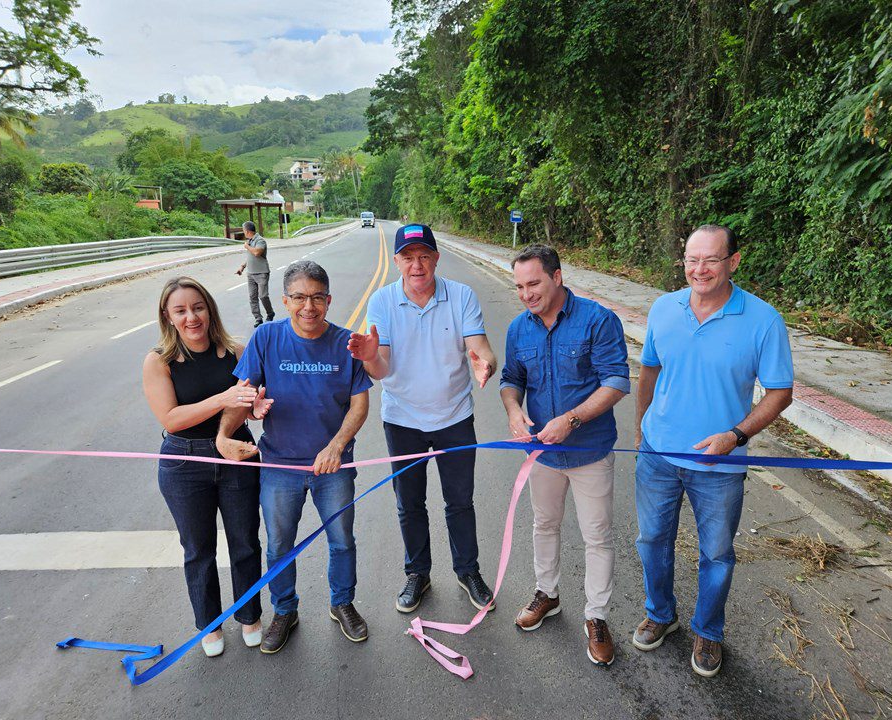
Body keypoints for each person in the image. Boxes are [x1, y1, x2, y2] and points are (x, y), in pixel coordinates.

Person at [633, 224, 793, 677]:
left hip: (719, 465)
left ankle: (708, 630)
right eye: (691, 259)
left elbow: (780, 391)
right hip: (658, 459)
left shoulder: (763, 320)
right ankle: (660, 614)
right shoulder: (664, 308)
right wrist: (643, 429)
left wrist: (737, 436)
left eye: (711, 260)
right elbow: (649, 372)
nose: (699, 269)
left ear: (733, 262)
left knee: (717, 553)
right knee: (650, 542)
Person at [217, 260, 372, 654]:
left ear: (329, 299)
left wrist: (336, 445)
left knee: (341, 541)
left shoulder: (346, 343)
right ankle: (284, 610)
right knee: (279, 545)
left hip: (333, 468)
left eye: (317, 298)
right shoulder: (266, 338)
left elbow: (359, 403)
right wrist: (243, 418)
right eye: (299, 298)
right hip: (279, 467)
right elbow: (244, 394)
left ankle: (342, 604)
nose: (309, 307)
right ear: (284, 301)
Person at [348, 223, 498, 614]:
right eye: (409, 257)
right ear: (397, 261)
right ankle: (418, 573)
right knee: (409, 504)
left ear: (436, 258)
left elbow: (478, 346)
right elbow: (381, 369)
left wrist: (485, 362)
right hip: (402, 420)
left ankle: (468, 571)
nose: (417, 265)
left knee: (459, 501)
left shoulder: (461, 295)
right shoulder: (382, 301)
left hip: (454, 418)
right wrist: (368, 356)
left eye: (424, 256)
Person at [499, 245, 630, 667]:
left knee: (597, 537)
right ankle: (547, 594)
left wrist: (571, 419)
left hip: (590, 451)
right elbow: (510, 380)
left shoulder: (597, 319)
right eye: (519, 286)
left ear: (557, 276)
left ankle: (597, 617)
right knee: (544, 524)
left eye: (533, 283)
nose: (526, 294)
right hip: (543, 456)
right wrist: (514, 410)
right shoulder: (520, 328)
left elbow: (616, 382)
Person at [142, 276, 268, 658]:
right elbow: (172, 418)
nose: (191, 317)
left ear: (209, 308)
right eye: (180, 310)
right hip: (184, 462)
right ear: (168, 316)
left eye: (197, 307)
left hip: (237, 456)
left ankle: (249, 615)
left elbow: (244, 402)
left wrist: (253, 407)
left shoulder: (236, 351)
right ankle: (209, 624)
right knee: (198, 548)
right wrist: (223, 398)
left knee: (245, 542)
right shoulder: (158, 361)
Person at [235, 220, 275, 327]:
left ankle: (270, 313)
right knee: (252, 297)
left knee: (263, 296)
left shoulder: (260, 240)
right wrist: (242, 267)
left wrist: (247, 246)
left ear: (247, 231)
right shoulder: (250, 241)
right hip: (251, 273)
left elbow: (257, 252)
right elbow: (250, 257)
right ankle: (258, 318)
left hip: (262, 273)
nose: (243, 233)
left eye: (244, 231)